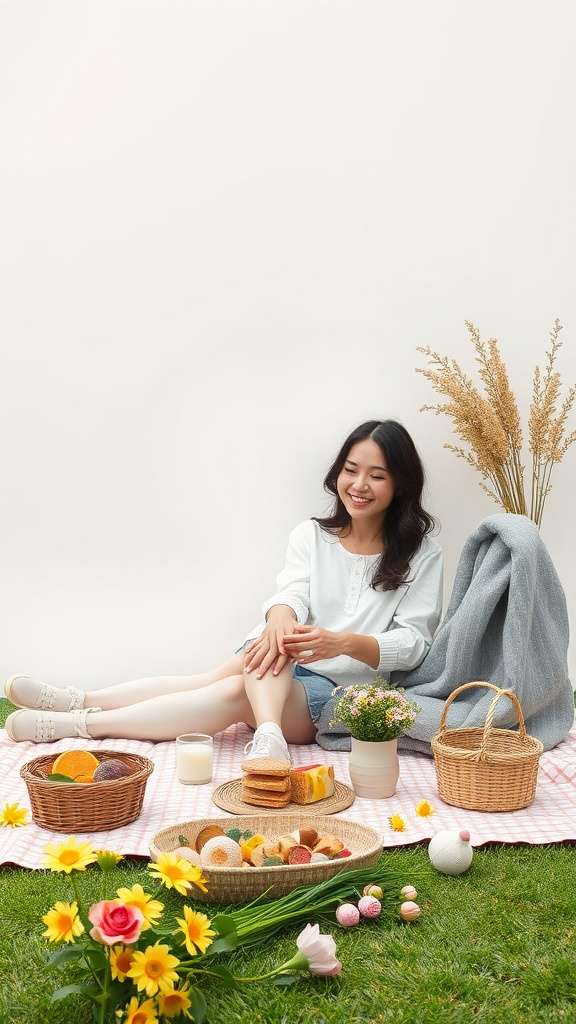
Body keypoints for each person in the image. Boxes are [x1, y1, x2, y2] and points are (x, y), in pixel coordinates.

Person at [5, 419, 444, 762]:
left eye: (377, 475)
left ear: (401, 484)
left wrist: (342, 642)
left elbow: (413, 645)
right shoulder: (311, 535)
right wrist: (280, 616)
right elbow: (291, 592)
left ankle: (79, 723)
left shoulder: (423, 554)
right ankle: (81, 702)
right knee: (214, 677)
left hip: (340, 694)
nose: (359, 485)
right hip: (281, 658)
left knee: (232, 693)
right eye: (351, 470)